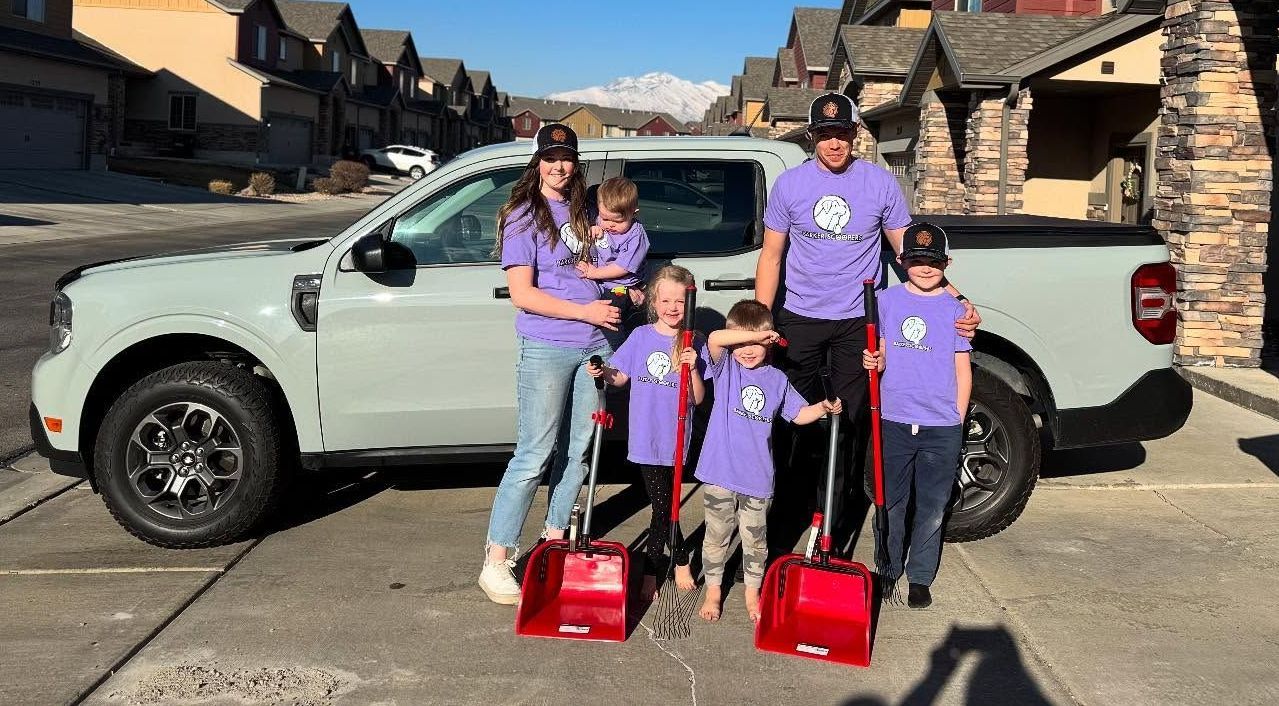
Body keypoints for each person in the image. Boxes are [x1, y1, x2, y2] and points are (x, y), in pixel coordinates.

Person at [753, 92, 979, 548]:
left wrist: (960, 301)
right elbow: (772, 256)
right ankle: (786, 520)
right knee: (794, 422)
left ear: (854, 134)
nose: (833, 144)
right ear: (812, 137)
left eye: (842, 134)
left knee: (848, 425)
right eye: (825, 135)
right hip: (800, 319)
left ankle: (831, 528)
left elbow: (909, 251)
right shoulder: (790, 186)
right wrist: (761, 320)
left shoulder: (879, 184)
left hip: (858, 323)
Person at [479, 123, 621, 605]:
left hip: (593, 345)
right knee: (534, 453)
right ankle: (497, 560)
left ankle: (556, 537)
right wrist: (585, 310)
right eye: (552, 157)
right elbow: (523, 294)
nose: (561, 166)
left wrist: (619, 289)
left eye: (568, 157)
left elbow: (593, 270)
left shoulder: (583, 210)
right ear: (537, 162)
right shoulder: (522, 216)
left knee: (577, 450)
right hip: (548, 345)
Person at [695, 300, 842, 623]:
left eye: (756, 344)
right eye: (743, 343)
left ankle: (752, 592)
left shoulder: (777, 380)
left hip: (757, 479)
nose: (748, 351)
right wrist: (753, 337)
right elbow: (716, 340)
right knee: (717, 535)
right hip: (720, 471)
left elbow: (799, 414)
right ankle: (714, 589)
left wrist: (823, 408)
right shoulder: (726, 369)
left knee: (755, 541)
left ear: (770, 344)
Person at [862, 223, 972, 609]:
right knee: (891, 500)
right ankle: (887, 568)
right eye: (917, 261)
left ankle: (920, 575)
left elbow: (962, 368)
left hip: (941, 425)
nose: (926, 268)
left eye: (934, 262)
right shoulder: (886, 301)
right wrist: (875, 361)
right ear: (901, 260)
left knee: (932, 504)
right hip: (893, 418)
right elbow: (882, 351)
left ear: (948, 263)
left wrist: (956, 419)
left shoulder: (957, 310)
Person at [586, 265, 706, 600]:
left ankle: (664, 563)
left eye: (680, 302)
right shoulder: (640, 337)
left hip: (676, 438)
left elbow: (697, 397)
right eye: (666, 300)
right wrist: (602, 371)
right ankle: (666, 565)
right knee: (663, 506)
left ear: (690, 304)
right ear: (654, 301)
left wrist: (692, 367)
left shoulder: (693, 342)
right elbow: (619, 376)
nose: (672, 307)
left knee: (666, 506)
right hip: (645, 437)